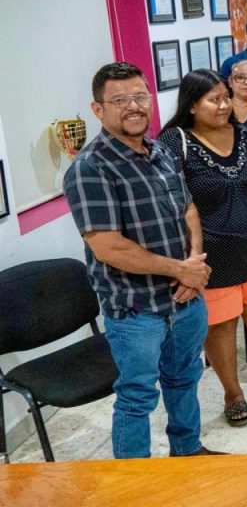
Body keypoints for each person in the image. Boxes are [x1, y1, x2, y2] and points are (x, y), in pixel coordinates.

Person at [64, 62, 220, 458]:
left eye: (139, 96)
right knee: (137, 398)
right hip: (136, 311)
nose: (132, 106)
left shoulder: (161, 151)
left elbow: (188, 210)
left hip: (185, 300)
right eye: (119, 100)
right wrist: (180, 270)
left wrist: (193, 265)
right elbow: (109, 247)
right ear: (98, 109)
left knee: (184, 380)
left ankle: (187, 453)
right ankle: (133, 483)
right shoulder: (90, 167)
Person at [158, 69, 247, 428]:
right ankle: (233, 394)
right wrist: (190, 258)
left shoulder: (243, 135)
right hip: (212, 257)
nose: (225, 105)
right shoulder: (175, 141)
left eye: (226, 97)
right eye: (215, 100)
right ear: (192, 105)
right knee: (221, 327)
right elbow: (173, 203)